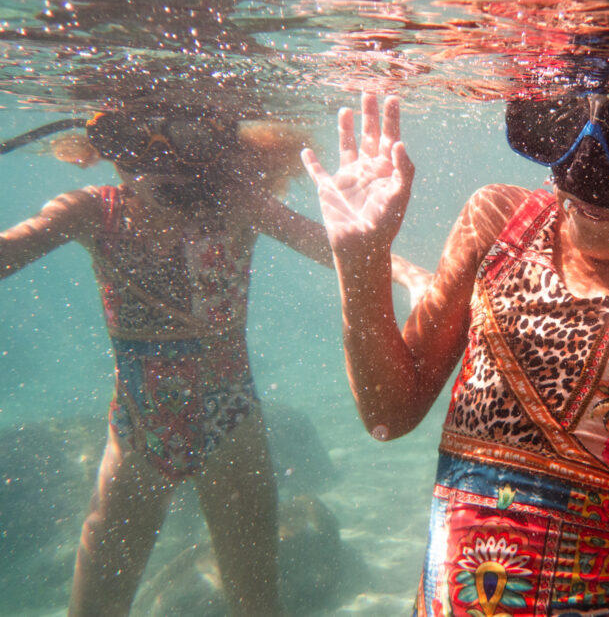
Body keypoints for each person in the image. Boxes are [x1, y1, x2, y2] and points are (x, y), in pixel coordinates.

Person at [302, 69, 609, 615]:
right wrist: (361, 261)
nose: (585, 170)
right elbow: (389, 413)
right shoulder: (497, 223)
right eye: (568, 121)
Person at [0, 99, 429, 617]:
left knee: (257, 604)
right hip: (146, 429)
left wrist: (411, 276)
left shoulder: (234, 204)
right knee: (94, 607)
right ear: (107, 148)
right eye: (132, 141)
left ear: (210, 150)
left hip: (222, 423)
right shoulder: (93, 209)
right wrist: (408, 275)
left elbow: (331, 243)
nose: (156, 162)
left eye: (183, 140)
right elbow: (12, 248)